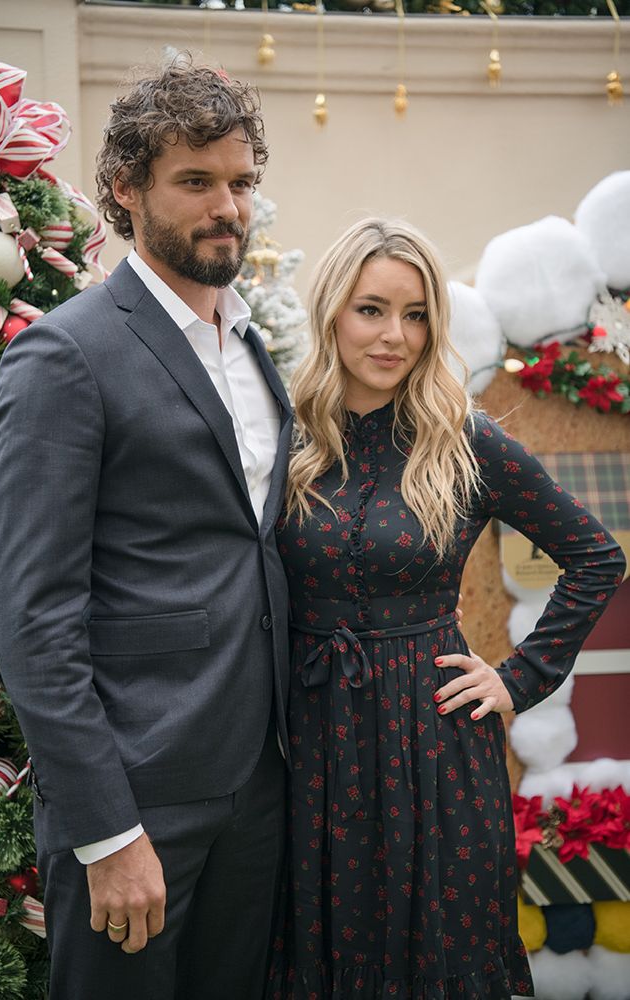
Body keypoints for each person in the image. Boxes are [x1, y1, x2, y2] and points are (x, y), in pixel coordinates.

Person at [0, 59, 293, 1000]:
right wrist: (107, 831)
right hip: (135, 797)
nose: (226, 206)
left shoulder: (250, 347)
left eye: (240, 181)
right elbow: (31, 615)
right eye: (195, 181)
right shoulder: (65, 352)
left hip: (259, 783)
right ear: (126, 189)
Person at [267, 218, 626, 999]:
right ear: (332, 310)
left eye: (417, 312)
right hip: (307, 738)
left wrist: (518, 680)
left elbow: (596, 557)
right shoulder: (282, 437)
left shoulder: (463, 440)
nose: (395, 334)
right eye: (372, 309)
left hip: (429, 741)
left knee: (435, 950)